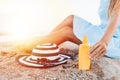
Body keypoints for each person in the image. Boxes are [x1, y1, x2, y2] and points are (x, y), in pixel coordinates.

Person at [24, 0, 120, 59]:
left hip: (114, 40)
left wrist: (104, 42)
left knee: (66, 32)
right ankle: (46, 46)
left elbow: (116, 16)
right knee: (71, 19)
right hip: (102, 30)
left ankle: (27, 46)